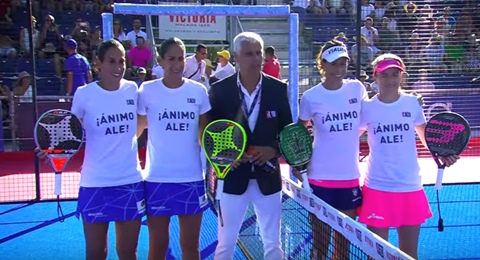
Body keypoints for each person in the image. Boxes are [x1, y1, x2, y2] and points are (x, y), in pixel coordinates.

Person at [36, 39, 144, 260]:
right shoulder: (84, 94)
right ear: (98, 64)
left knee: (127, 252)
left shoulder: (133, 90)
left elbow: (142, 126)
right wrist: (51, 152)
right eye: (111, 61)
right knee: (96, 253)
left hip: (130, 181)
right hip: (95, 183)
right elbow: (69, 134)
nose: (118, 67)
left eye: (121, 61)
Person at [357, 53, 458, 259]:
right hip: (378, 187)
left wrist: (444, 154)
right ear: (375, 77)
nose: (391, 80)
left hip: (410, 186)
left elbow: (427, 138)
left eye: (395, 74)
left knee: (409, 255)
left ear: (402, 77)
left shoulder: (412, 103)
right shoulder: (366, 108)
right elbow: (349, 139)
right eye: (384, 75)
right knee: (375, 254)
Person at [209, 31, 293, 260]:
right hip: (233, 179)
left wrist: (273, 150)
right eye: (249, 54)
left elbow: (287, 133)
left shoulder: (278, 89)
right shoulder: (219, 90)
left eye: (259, 53)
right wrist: (227, 157)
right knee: (225, 246)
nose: (256, 59)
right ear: (236, 57)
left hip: (268, 179)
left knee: (273, 245)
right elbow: (211, 136)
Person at [136, 37, 211, 260]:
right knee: (158, 248)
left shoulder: (198, 91)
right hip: (157, 180)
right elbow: (135, 132)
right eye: (171, 59)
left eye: (180, 59)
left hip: (191, 179)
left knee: (190, 248)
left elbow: (203, 135)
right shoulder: (146, 90)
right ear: (160, 60)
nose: (177, 65)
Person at [297, 39, 367, 260]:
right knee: (320, 245)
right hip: (319, 180)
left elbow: (368, 118)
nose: (339, 69)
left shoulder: (357, 88)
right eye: (334, 64)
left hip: (349, 178)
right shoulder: (311, 97)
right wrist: (300, 166)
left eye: (343, 64)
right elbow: (298, 136)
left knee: (344, 248)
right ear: (323, 65)